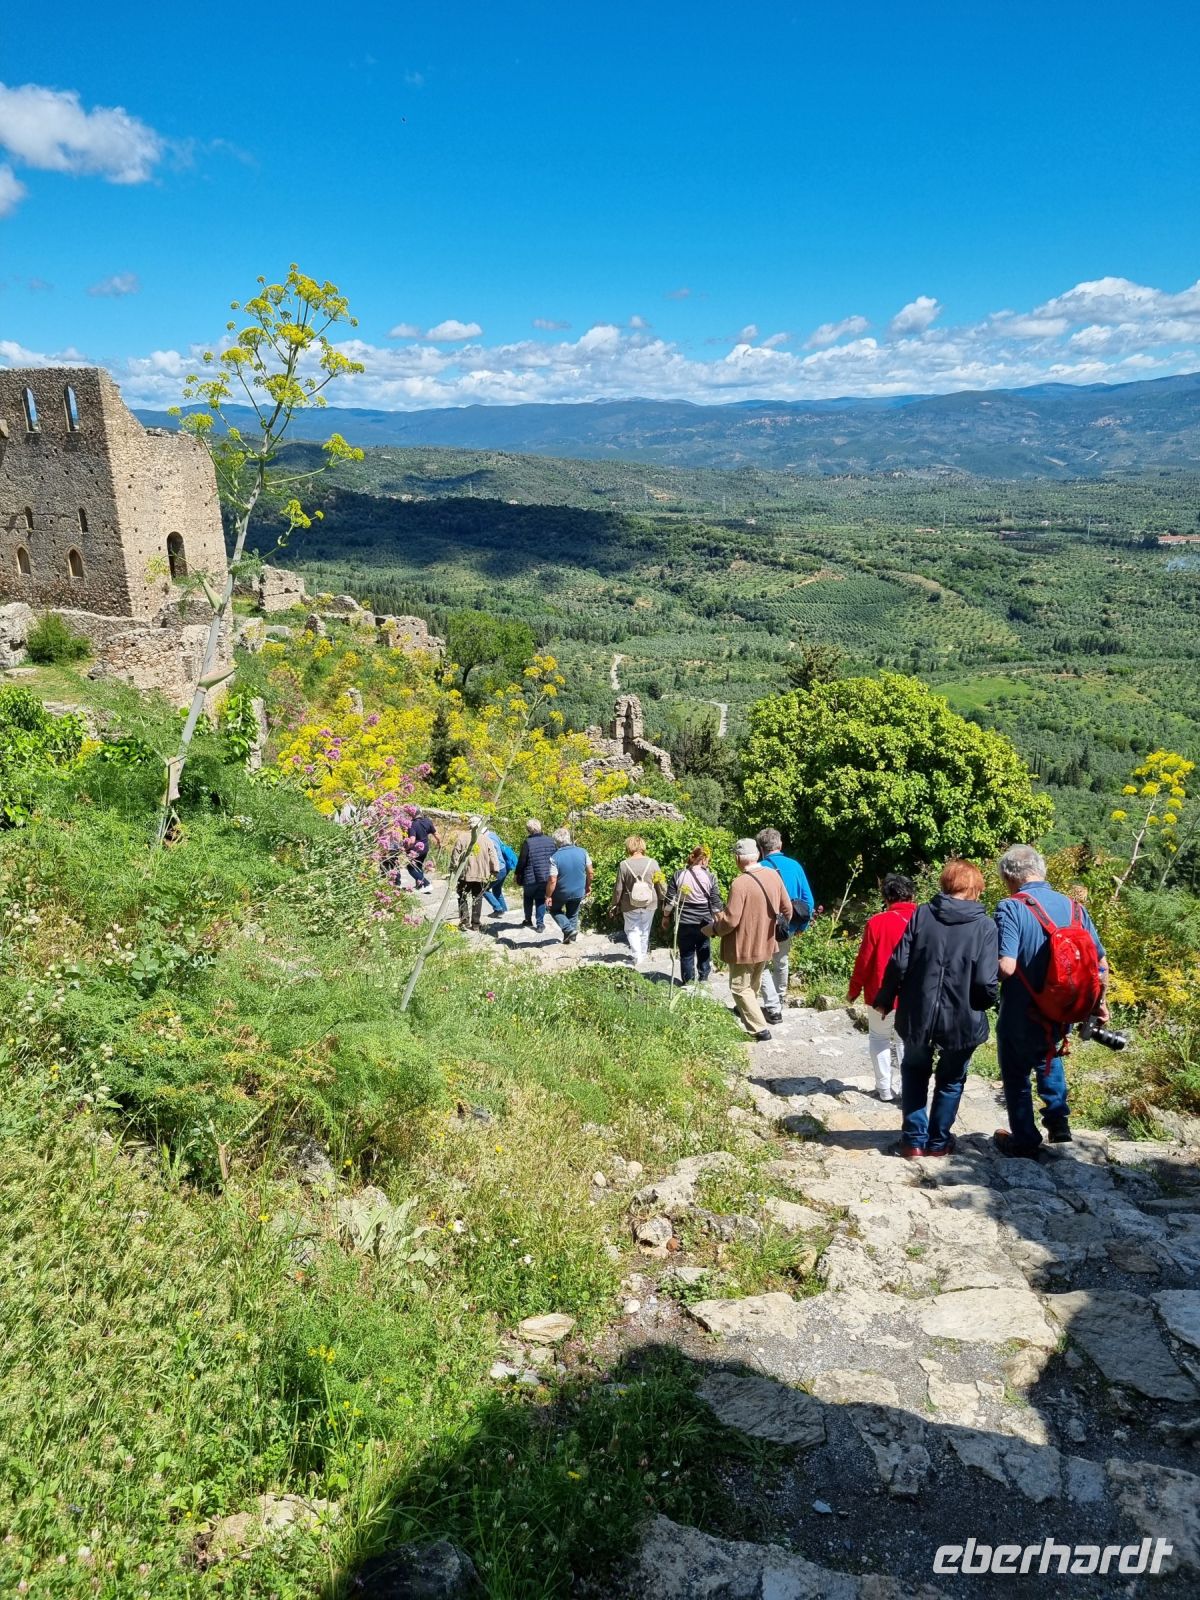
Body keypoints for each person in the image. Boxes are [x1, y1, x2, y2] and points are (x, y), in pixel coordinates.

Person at [875, 859, 999, 1159]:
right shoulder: (985, 926)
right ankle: (939, 1142)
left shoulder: (922, 915)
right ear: (976, 890)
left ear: (945, 884)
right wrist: (983, 1005)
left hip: (918, 1013)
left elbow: (899, 963)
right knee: (952, 1078)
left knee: (915, 1071)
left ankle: (913, 1142)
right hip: (962, 1017)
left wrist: (885, 998)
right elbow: (986, 980)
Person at [993, 845, 1108, 1158]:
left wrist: (982, 984)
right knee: (1050, 1053)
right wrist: (1099, 1003)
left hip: (1021, 1007)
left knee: (1015, 1071)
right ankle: (1058, 1121)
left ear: (1008, 876)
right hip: (1061, 1007)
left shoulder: (1011, 907)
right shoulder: (1075, 908)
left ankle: (1025, 1140)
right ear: (1041, 870)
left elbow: (1007, 966)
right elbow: (1100, 963)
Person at [705, 838, 791, 1040]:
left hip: (743, 946)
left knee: (739, 987)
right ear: (758, 855)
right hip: (767, 942)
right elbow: (787, 908)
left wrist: (714, 929)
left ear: (737, 858)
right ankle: (746, 1013)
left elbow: (731, 920)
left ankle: (759, 1028)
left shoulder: (740, 883)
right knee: (753, 982)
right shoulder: (773, 876)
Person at [847, 873, 918, 1101]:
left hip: (881, 993)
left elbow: (864, 961)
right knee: (906, 1040)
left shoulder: (877, 922)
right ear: (912, 894)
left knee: (879, 1038)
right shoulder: (925, 919)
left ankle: (884, 1089)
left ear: (886, 897)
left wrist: (854, 990)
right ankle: (909, 1089)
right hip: (915, 993)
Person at [755, 828, 816, 1024]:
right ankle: (779, 998)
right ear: (780, 845)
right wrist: (802, 926)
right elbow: (808, 901)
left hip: (764, 927)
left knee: (760, 965)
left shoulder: (759, 868)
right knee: (781, 962)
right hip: (787, 925)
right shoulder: (795, 866)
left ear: (761, 848)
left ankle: (771, 1004)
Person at [662, 845, 724, 984]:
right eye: (708, 860)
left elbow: (670, 900)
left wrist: (666, 917)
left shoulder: (679, 875)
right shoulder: (710, 877)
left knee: (686, 952)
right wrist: (720, 922)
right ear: (703, 860)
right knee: (704, 948)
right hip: (704, 921)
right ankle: (703, 978)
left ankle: (688, 981)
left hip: (684, 921)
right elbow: (715, 903)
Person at [609, 836, 663, 964]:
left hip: (630, 903)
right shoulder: (653, 863)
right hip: (650, 902)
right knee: (645, 929)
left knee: (632, 929)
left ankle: (637, 955)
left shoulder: (624, 865)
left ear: (629, 847)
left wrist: (614, 903)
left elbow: (618, 889)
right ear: (642, 846)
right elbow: (661, 884)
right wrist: (664, 899)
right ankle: (642, 955)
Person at [449, 825, 500, 931]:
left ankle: (464, 921)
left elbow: (455, 855)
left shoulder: (462, 838)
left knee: (462, 897)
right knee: (477, 898)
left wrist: (453, 869)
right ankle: (476, 924)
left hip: (464, 874)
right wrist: (495, 870)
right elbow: (493, 856)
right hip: (482, 874)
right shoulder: (486, 840)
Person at [546, 828, 593, 943]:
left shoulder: (554, 858)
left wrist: (548, 896)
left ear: (556, 842)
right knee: (573, 913)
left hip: (562, 892)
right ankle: (571, 938)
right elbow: (590, 872)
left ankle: (568, 930)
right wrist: (588, 885)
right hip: (578, 890)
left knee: (553, 909)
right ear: (569, 838)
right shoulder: (583, 852)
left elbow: (552, 880)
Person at [514, 818, 557, 931]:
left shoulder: (528, 842)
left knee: (528, 897)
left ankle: (528, 920)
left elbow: (522, 860)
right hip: (546, 876)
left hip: (531, 877)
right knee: (540, 898)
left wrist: (517, 873)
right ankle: (540, 924)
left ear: (528, 830)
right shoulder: (551, 840)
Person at [483, 828, 518, 916]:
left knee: (483, 889)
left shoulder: (489, 840)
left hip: (499, 868)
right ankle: (505, 912)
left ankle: (498, 908)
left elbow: (494, 857)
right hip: (505, 867)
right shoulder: (493, 834)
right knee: (497, 890)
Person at [404, 810, 439, 892]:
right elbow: (436, 834)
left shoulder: (412, 824)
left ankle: (426, 884)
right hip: (425, 848)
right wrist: (439, 843)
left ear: (412, 815)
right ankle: (419, 885)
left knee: (411, 868)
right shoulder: (427, 821)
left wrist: (406, 847)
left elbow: (412, 840)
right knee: (418, 866)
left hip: (416, 850)